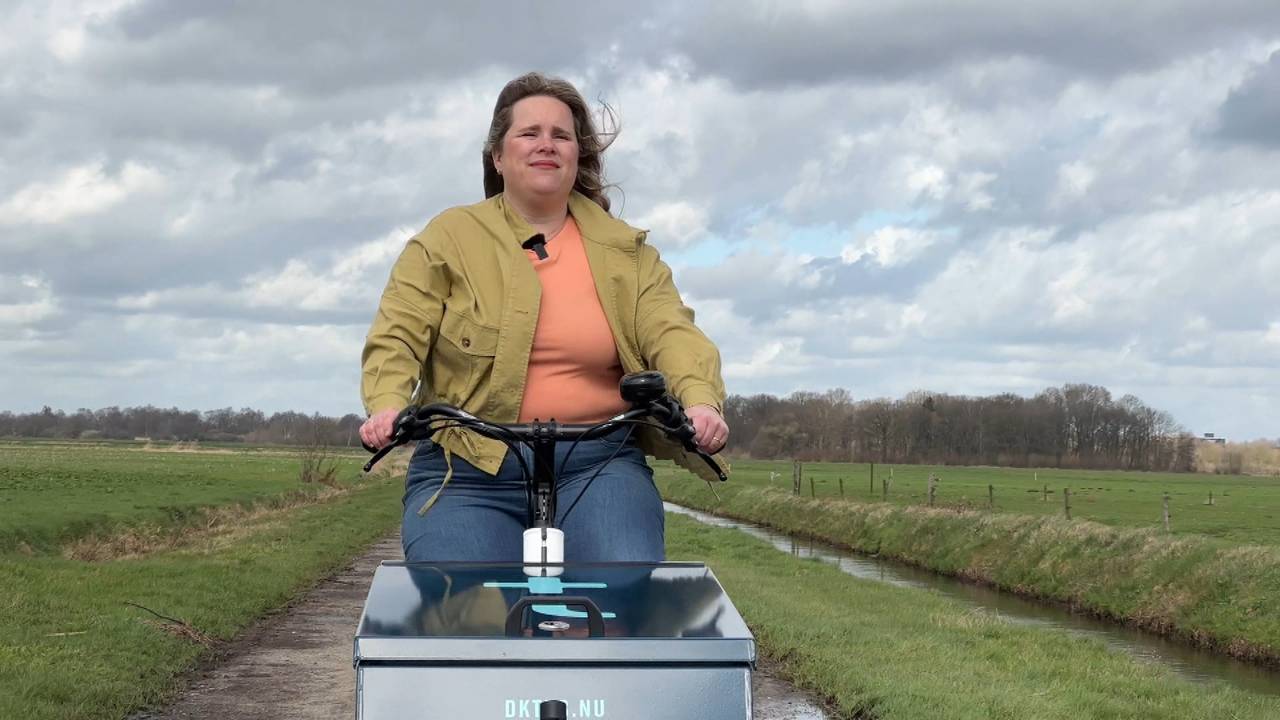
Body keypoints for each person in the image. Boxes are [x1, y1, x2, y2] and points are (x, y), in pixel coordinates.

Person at [359, 72, 728, 563]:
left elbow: (671, 330)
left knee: (624, 582)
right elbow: (398, 333)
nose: (545, 145)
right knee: (463, 603)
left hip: (598, 461)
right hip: (469, 463)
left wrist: (700, 402)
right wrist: (387, 405)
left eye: (561, 135)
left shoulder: (628, 252)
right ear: (497, 156)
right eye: (529, 133)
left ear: (578, 155)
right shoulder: (447, 238)